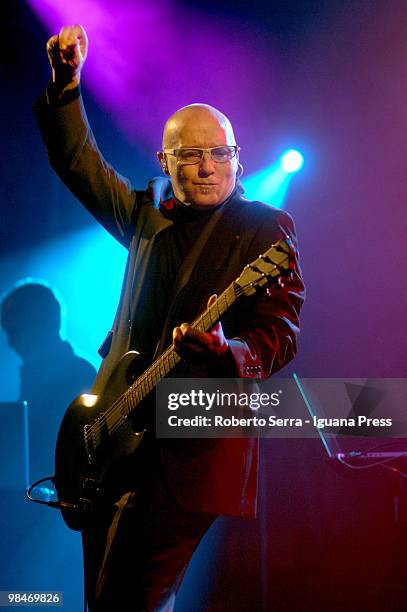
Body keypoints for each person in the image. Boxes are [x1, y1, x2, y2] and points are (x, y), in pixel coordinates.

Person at [34, 24, 305, 612]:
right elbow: (80, 166)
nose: (208, 167)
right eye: (191, 155)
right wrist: (66, 87)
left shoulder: (264, 228)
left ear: (237, 158)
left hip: (190, 446)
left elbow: (279, 335)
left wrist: (228, 352)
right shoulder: (146, 218)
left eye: (221, 154)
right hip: (111, 440)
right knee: (104, 597)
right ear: (165, 160)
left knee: (127, 600)